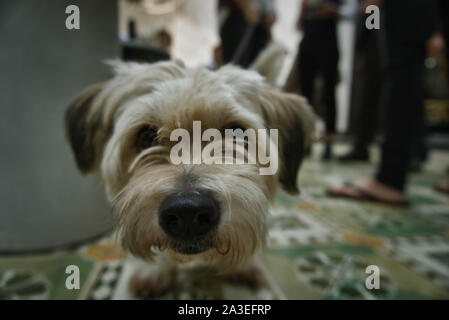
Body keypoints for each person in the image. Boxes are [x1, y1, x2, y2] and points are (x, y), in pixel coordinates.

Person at [328, 0, 438, 205]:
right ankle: (375, 152)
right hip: (379, 41)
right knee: (396, 83)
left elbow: (373, 20)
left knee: (401, 80)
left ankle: (393, 174)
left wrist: (371, 18)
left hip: (386, 35)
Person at [296, 0, 341, 160]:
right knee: (306, 94)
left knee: (329, 93)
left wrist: (332, 11)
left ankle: (329, 141)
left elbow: (347, 12)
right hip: (309, 40)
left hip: (328, 39)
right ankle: (306, 140)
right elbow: (298, 24)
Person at [218, 0, 276, 68]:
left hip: (262, 20)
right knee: (235, 66)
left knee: (255, 67)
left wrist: (271, 10)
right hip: (236, 13)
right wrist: (246, 5)